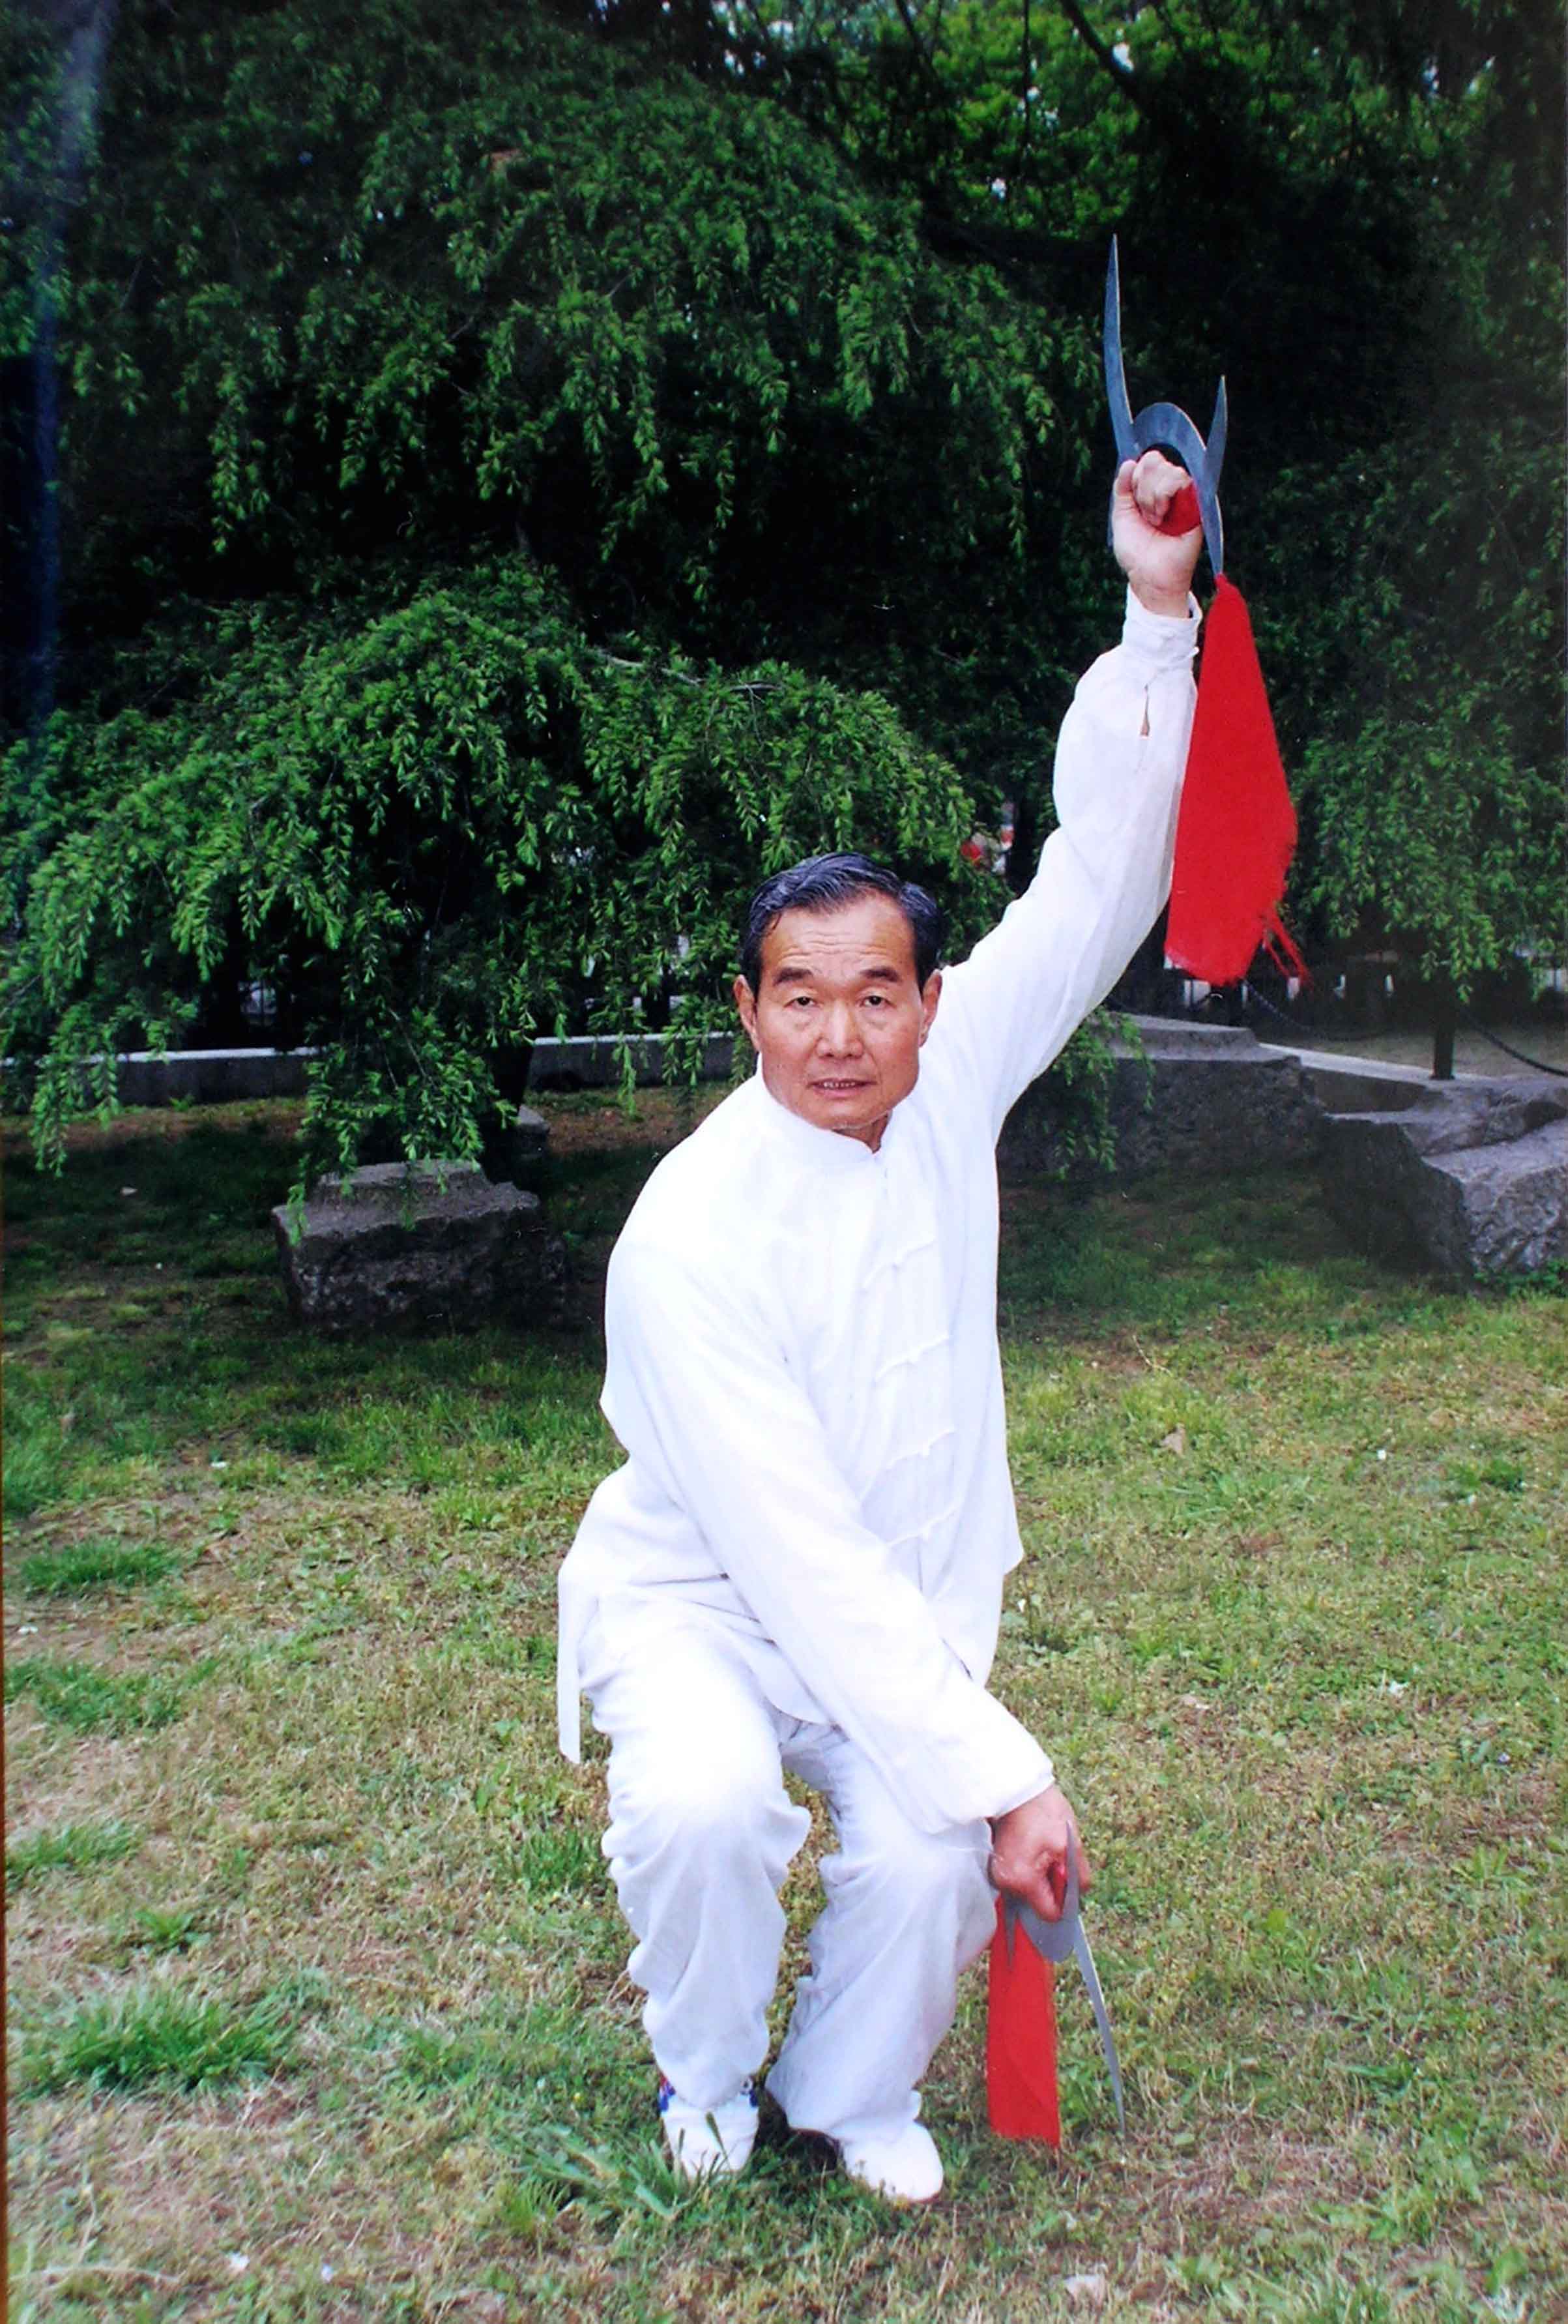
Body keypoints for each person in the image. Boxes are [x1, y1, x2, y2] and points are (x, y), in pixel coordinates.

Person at [556, 451, 1204, 2202]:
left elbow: (1096, 890)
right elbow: (797, 1553)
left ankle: (846, 2092)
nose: (838, 1039)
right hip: (711, 1596)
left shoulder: (951, 1077)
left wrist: (1157, 619)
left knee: (926, 1862)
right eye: (798, 999)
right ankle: (705, 2074)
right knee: (705, 1807)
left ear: (927, 1002)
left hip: (902, 1585)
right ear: (749, 1010)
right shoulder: (688, 1233)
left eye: (874, 996)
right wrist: (1015, 1771)